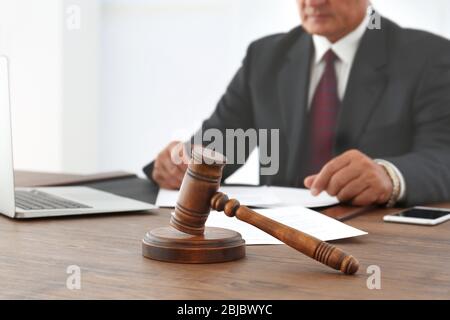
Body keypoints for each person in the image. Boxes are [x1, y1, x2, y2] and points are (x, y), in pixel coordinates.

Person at [144, 0, 450, 207]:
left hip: (379, 242)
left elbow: (443, 154)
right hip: (277, 239)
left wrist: (390, 176)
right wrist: (178, 165)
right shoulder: (265, 56)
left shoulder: (428, 57)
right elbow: (221, 144)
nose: (314, 1)